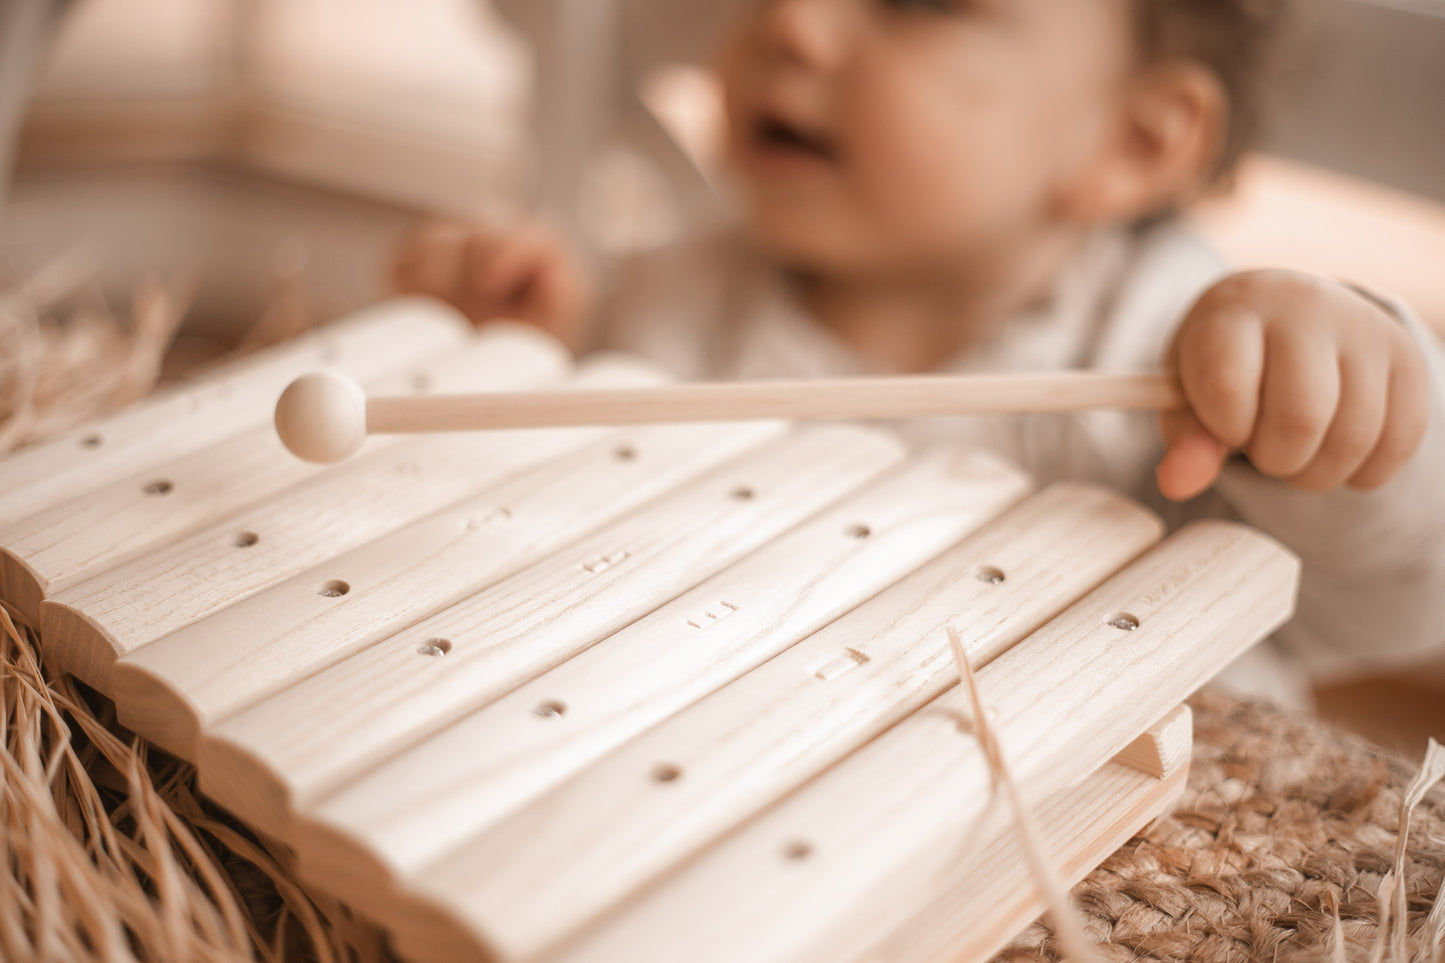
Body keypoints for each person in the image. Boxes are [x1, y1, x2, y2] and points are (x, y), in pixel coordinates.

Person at [392, 0, 1445, 706]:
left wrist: (1342, 417)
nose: (793, 23)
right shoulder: (665, 304)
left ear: (1134, 141)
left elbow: (1400, 606)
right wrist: (519, 362)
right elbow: (563, 561)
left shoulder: (1191, 359)